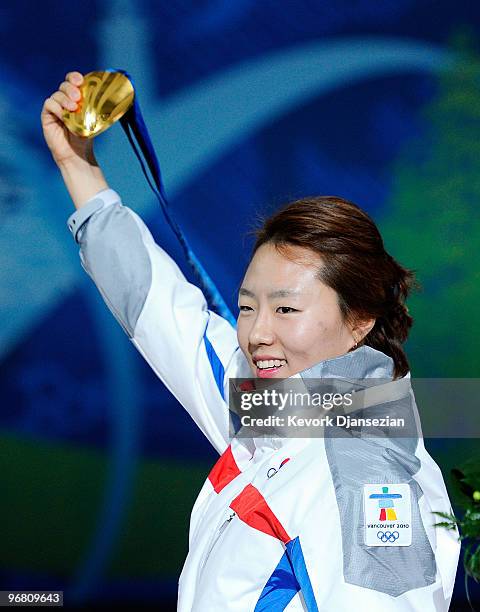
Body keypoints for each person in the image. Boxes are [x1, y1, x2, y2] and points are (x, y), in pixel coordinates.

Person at [41, 72, 460, 611]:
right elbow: (160, 310)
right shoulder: (278, 409)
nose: (258, 333)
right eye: (246, 306)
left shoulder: (368, 469)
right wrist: (79, 165)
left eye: (287, 308)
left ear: (359, 321)